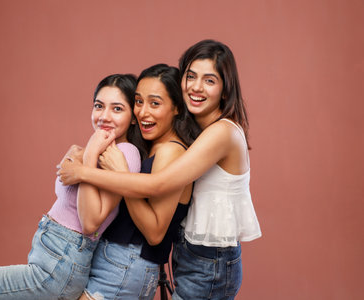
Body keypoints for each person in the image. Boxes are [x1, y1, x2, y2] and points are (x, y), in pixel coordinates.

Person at [58, 40, 262, 300]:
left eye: (209, 80)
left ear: (225, 89)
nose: (197, 87)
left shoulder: (222, 132)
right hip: (189, 257)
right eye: (190, 76)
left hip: (211, 264)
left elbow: (158, 186)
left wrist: (85, 172)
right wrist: (85, 152)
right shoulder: (192, 133)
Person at [0, 74, 144, 300]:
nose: (104, 116)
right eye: (99, 106)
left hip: (58, 266)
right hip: (53, 261)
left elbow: (90, 222)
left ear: (133, 118)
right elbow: (65, 183)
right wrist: (82, 154)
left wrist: (87, 157)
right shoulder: (100, 148)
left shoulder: (124, 153)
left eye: (117, 109)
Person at [72, 64, 200, 300]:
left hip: (128, 263)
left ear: (177, 108)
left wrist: (122, 174)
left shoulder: (171, 152)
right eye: (139, 102)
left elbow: (155, 233)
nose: (142, 112)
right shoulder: (152, 147)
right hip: (116, 259)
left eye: (155, 103)